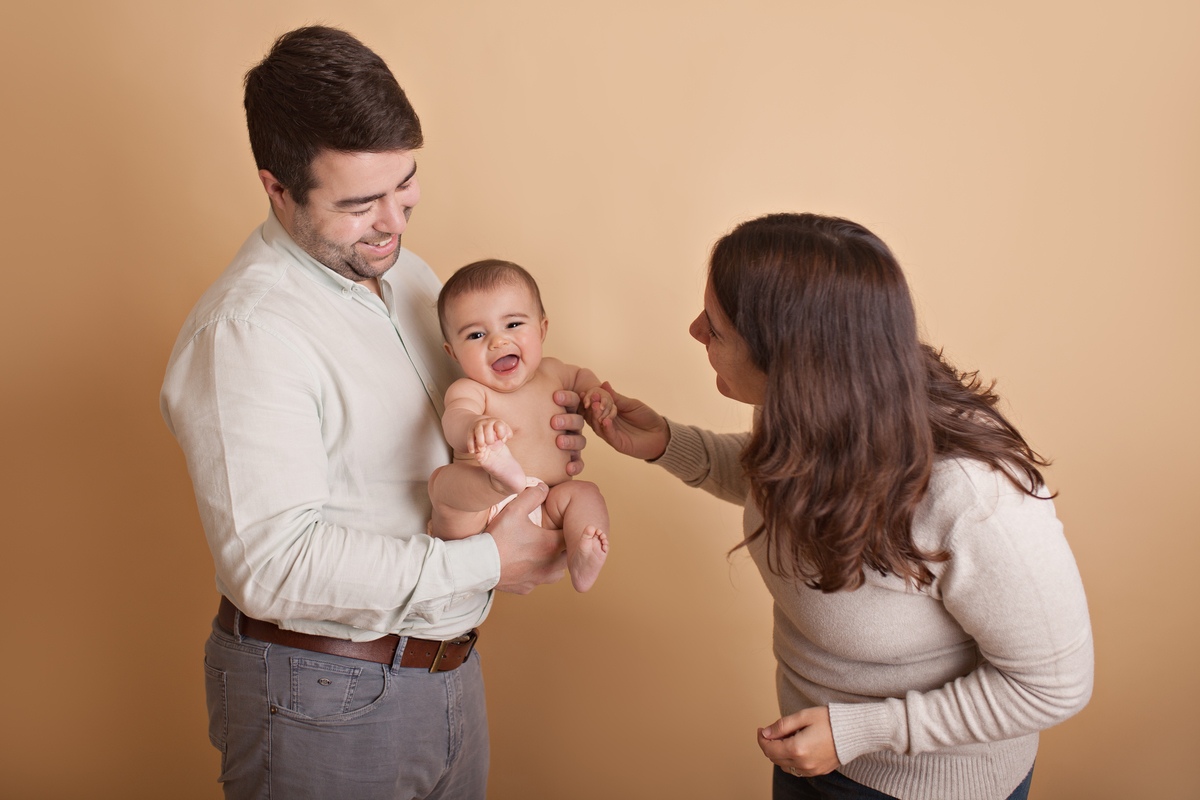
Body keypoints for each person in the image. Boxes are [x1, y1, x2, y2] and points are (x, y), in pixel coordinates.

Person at [159, 26, 586, 800]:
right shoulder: (248, 332)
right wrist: (490, 562)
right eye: (359, 203)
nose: (394, 220)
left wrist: (538, 426)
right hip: (320, 693)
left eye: (405, 185)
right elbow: (272, 563)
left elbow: (457, 422)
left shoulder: (411, 277)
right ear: (277, 187)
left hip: (444, 667)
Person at [590, 213, 1094, 800]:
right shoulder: (814, 407)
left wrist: (864, 730)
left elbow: (1055, 685)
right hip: (817, 756)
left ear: (791, 358)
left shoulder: (971, 494)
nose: (696, 329)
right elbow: (796, 490)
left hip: (924, 786)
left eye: (718, 329)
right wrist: (668, 443)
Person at [429, 259, 612, 592]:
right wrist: (474, 425)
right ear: (452, 353)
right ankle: (500, 480)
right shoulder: (471, 391)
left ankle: (582, 554)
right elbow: (454, 421)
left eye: (513, 324)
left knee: (584, 494)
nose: (497, 342)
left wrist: (595, 395)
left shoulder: (556, 372)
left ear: (542, 330)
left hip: (547, 501)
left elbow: (584, 379)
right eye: (476, 334)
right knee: (445, 484)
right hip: (480, 508)